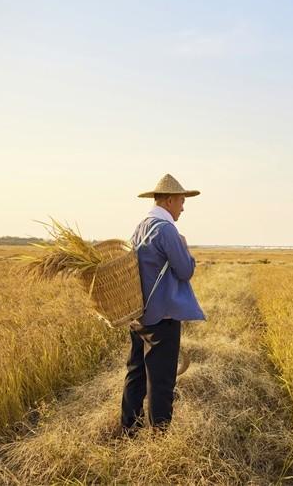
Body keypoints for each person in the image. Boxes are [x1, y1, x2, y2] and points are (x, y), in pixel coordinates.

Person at [120, 173, 205, 435]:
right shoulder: (167, 230)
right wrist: (184, 247)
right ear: (168, 200)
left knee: (136, 372)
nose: (183, 206)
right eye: (181, 200)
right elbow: (185, 270)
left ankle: (130, 429)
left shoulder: (142, 225)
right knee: (161, 379)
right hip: (162, 316)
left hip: (139, 313)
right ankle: (159, 437)